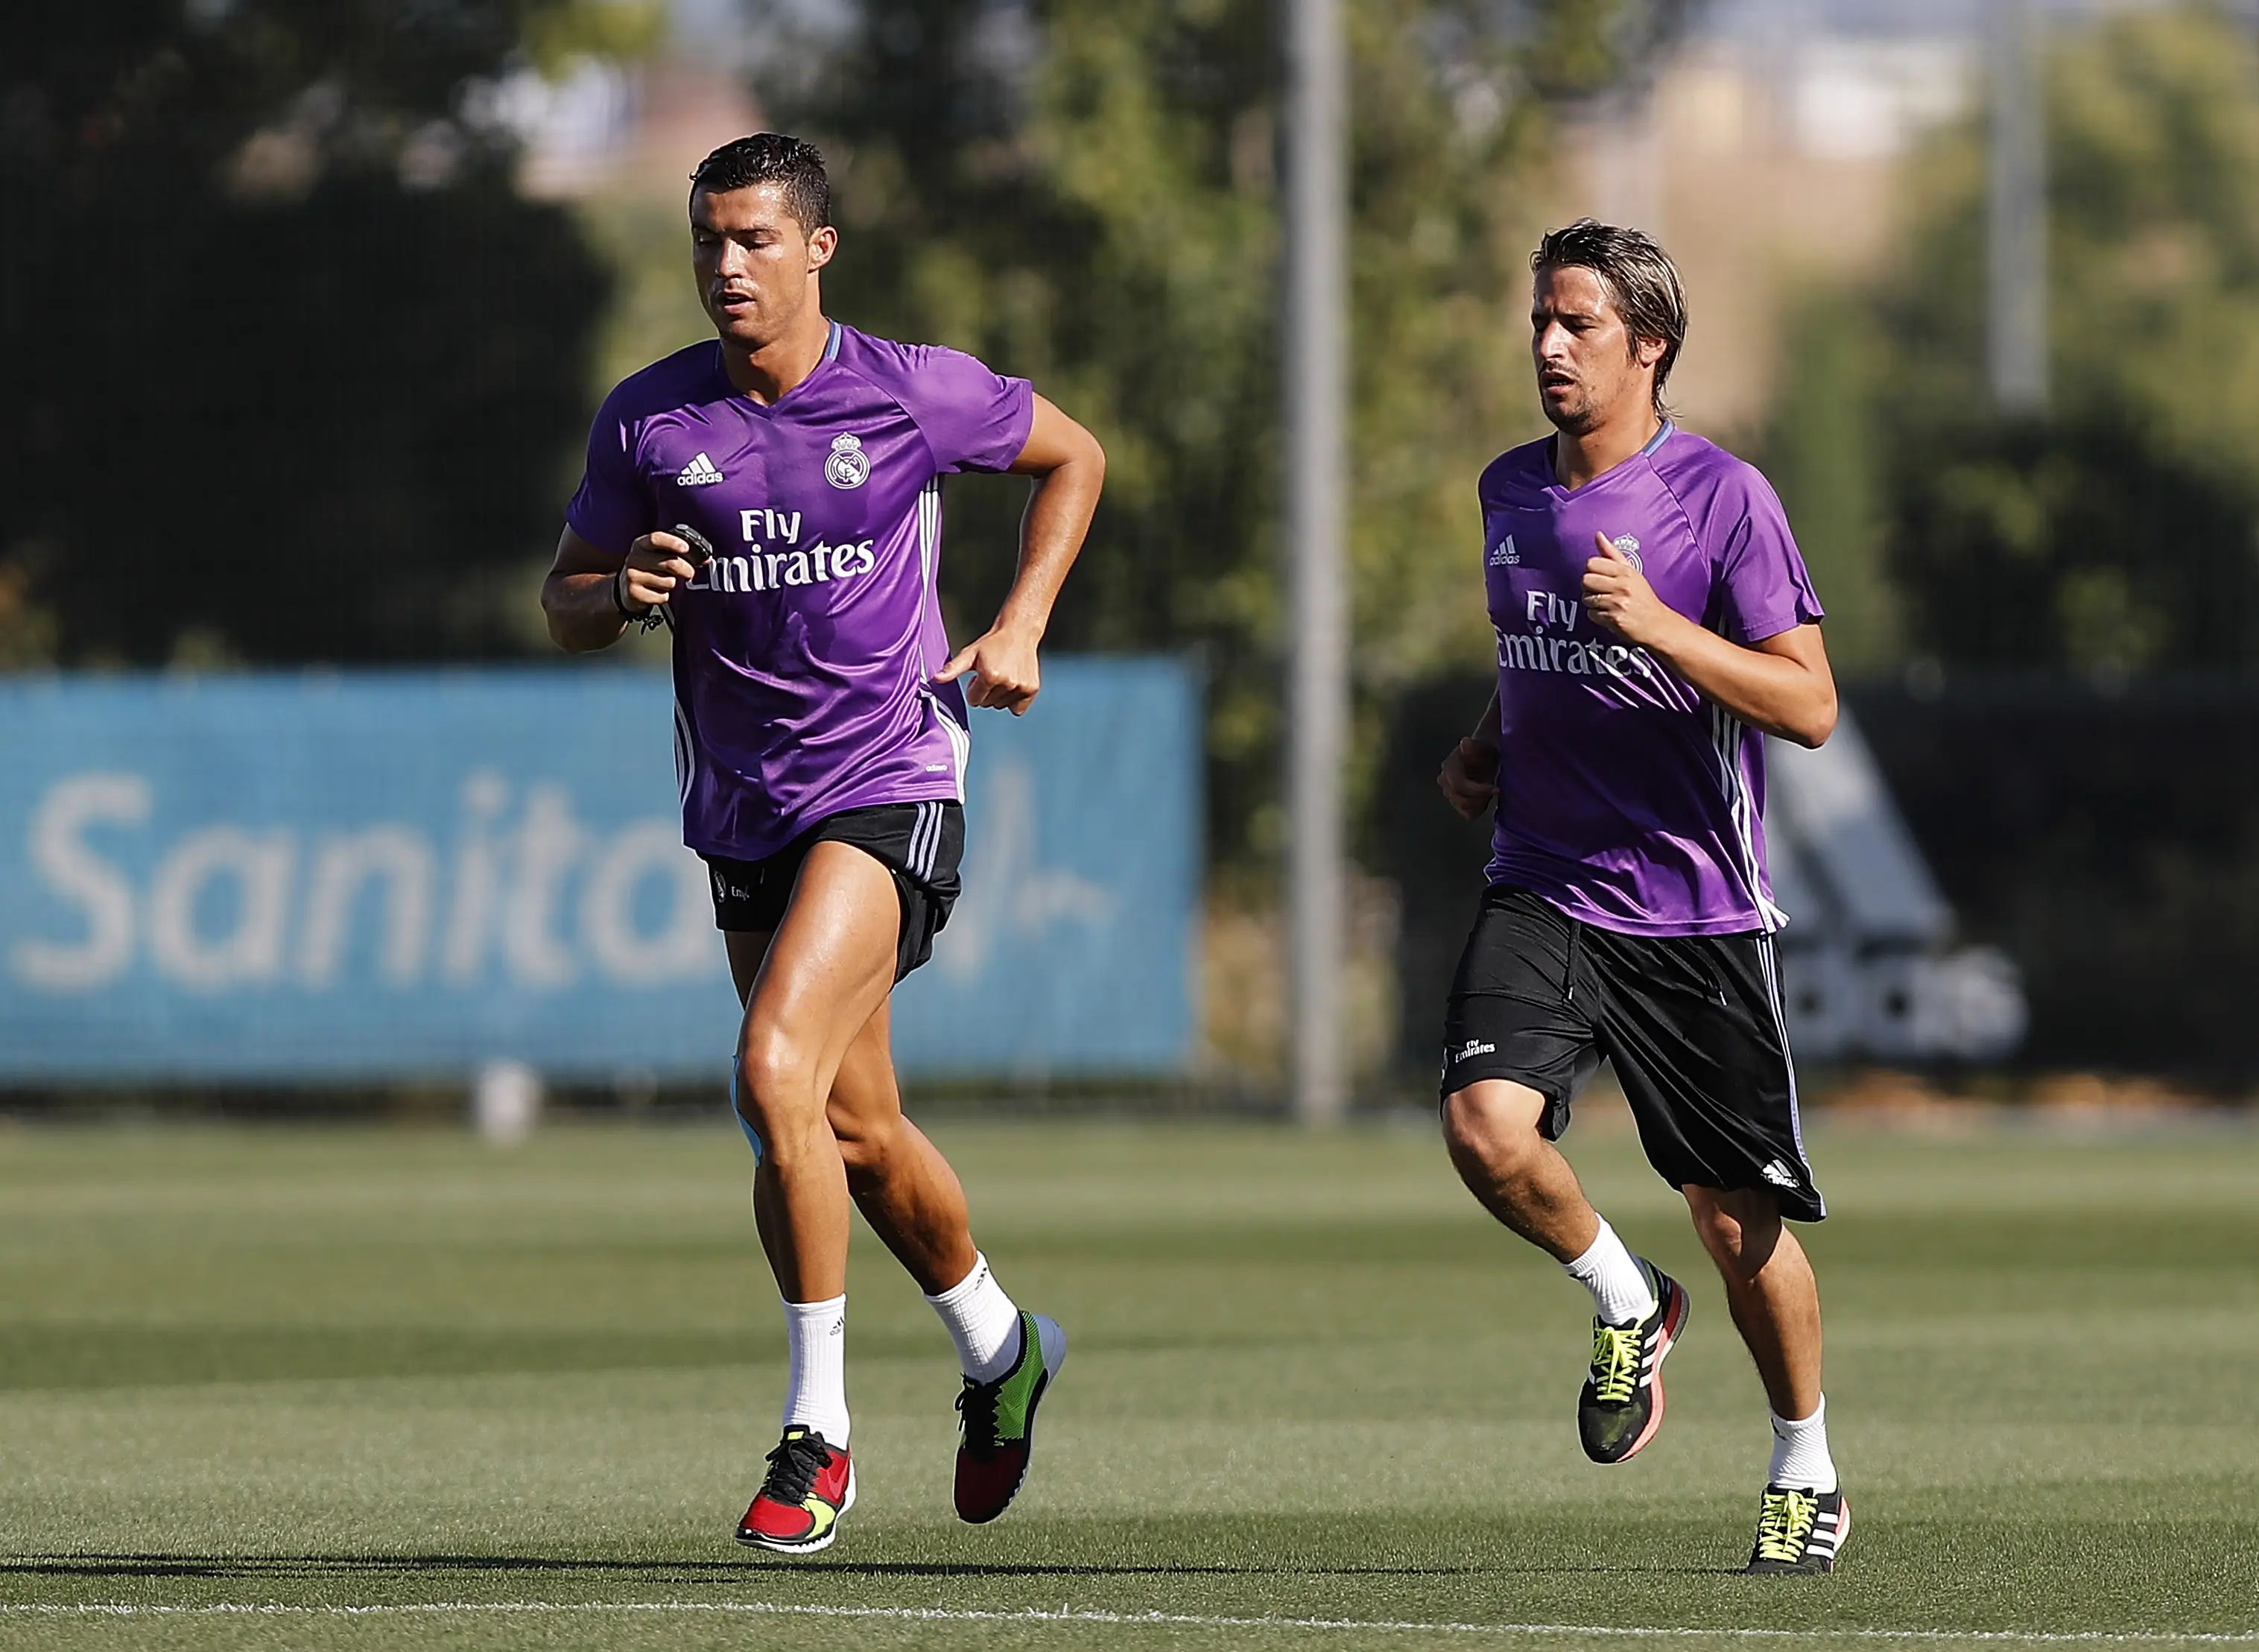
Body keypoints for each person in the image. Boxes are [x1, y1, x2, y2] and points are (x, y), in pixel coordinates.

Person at [540, 133, 1105, 1555]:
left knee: (769, 1069)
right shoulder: (650, 419)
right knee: (845, 1126)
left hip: (894, 773)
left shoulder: (909, 390)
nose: (726, 266)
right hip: (745, 803)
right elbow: (563, 601)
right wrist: (622, 586)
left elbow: (1073, 456)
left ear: (817, 249)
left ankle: (818, 1435)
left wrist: (1026, 619)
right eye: (708, 243)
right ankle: (999, 1348)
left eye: (752, 240)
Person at [1433, 219, 1847, 1575]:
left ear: (1649, 346)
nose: (1549, 347)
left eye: (1581, 326)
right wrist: (1491, 744)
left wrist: (1666, 628)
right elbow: (1536, 648)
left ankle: (1806, 1465)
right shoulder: (1508, 489)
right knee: (1486, 1131)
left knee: (1740, 1227)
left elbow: (1811, 704)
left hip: (1693, 915)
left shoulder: (1723, 497)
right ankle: (1625, 1299)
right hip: (1542, 883)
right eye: (1540, 321)